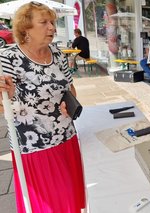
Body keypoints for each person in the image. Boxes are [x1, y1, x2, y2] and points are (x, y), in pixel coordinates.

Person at [0, 2, 85, 212]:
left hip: (66, 136)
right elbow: (3, 107)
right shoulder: (8, 57)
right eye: (44, 22)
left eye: (53, 22)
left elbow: (70, 88)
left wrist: (69, 102)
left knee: (72, 200)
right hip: (35, 145)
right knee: (49, 204)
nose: (52, 28)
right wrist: (6, 96)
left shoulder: (57, 52)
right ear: (26, 29)